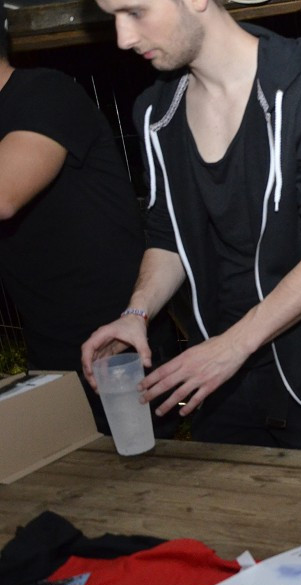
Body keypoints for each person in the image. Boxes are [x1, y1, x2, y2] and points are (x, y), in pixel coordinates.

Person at [81, 0, 301, 451]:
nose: (122, 38)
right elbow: (166, 235)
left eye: (135, 12)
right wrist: (136, 314)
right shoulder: (155, 112)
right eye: (112, 18)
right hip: (213, 383)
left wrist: (234, 345)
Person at [0, 5, 180, 436]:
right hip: (50, 345)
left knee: (151, 481)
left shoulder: (42, 92)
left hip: (118, 343)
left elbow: (3, 196)